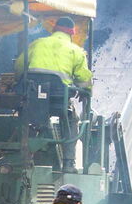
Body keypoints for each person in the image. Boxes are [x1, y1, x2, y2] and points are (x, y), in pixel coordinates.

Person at [14, 16, 93, 173]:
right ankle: (69, 163)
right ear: (71, 33)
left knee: (28, 119)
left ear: (54, 29)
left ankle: (24, 157)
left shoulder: (36, 44)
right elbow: (84, 79)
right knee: (71, 119)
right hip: (58, 101)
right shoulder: (75, 51)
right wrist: (86, 91)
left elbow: (18, 67)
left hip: (33, 98)